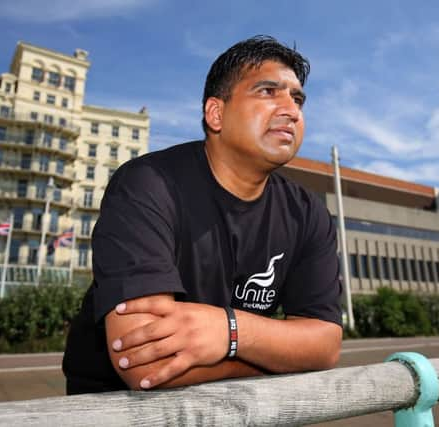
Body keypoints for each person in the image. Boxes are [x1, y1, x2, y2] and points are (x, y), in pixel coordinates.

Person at [62, 35, 343, 393]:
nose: (292, 109)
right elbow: (147, 363)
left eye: (298, 98)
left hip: (241, 410)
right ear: (216, 113)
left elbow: (325, 345)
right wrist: (278, 361)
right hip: (116, 409)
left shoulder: (308, 213)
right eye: (268, 91)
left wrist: (228, 330)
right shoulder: (147, 184)